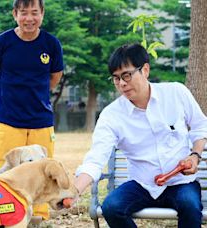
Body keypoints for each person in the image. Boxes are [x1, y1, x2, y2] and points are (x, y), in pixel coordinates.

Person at [74, 43, 207, 228]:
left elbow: (201, 126)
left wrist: (195, 155)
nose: (121, 83)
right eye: (116, 78)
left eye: (126, 75)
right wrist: (76, 190)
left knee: (190, 206)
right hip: (141, 185)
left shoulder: (176, 93)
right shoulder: (111, 115)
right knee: (111, 207)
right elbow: (96, 158)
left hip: (180, 182)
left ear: (145, 70)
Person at [0, 0, 64, 221]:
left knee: (44, 171)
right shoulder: (1, 43)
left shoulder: (51, 44)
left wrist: (39, 94)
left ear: (42, 15)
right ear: (15, 14)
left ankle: (39, 218)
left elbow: (55, 75)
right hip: (9, 120)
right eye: (24, 13)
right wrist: (5, 97)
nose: (29, 18)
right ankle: (6, 215)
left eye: (34, 13)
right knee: (7, 171)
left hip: (41, 120)